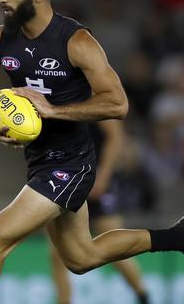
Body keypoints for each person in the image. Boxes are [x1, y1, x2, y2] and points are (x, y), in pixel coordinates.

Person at [0, 0, 184, 304]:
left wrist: (53, 110)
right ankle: (181, 237)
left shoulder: (77, 41)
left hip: (72, 162)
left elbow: (118, 104)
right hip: (39, 161)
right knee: (81, 258)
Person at [48, 120, 148, 304]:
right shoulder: (54, 95)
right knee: (57, 253)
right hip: (64, 178)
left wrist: (104, 174)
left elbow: (116, 136)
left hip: (95, 178)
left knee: (115, 248)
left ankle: (143, 295)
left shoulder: (91, 94)